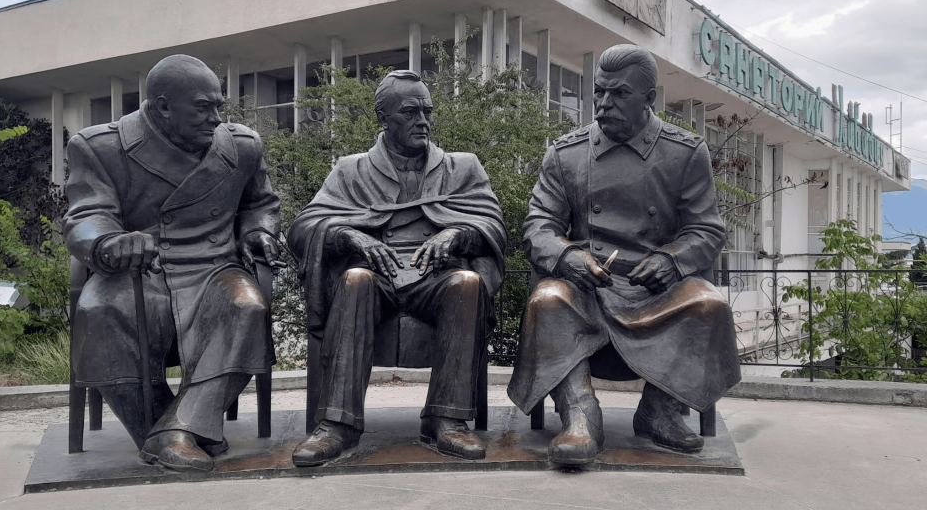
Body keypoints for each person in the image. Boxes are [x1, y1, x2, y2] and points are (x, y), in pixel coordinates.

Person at [507, 44, 741, 464]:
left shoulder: (685, 152)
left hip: (655, 292)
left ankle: (661, 411)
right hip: (588, 288)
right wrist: (567, 258)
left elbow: (705, 229)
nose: (603, 104)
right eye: (598, 92)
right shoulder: (566, 154)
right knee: (548, 300)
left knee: (708, 304)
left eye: (618, 94)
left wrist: (672, 260)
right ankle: (580, 416)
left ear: (649, 98)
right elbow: (538, 225)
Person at [64, 54, 282, 472]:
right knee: (101, 311)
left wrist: (258, 232)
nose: (216, 118)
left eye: (219, 106)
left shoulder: (243, 146)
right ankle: (173, 429)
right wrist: (110, 241)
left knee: (247, 307)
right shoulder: (101, 146)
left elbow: (261, 205)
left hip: (215, 264)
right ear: (162, 107)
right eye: (203, 108)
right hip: (138, 268)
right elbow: (87, 215)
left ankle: (171, 433)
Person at [287, 70, 507, 466]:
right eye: (410, 112)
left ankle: (447, 421)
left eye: (427, 111)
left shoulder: (462, 167)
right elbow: (305, 226)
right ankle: (338, 425)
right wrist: (349, 236)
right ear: (383, 118)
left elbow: (492, 224)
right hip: (376, 278)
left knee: (468, 282)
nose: (423, 121)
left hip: (435, 277)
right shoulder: (351, 170)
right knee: (354, 280)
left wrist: (458, 233)